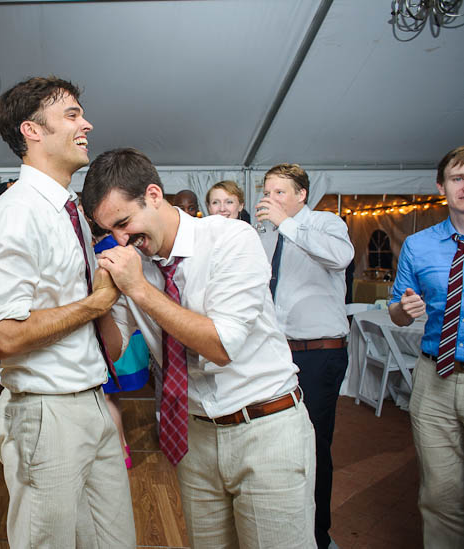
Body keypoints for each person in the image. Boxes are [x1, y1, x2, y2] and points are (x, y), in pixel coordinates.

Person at [82, 147, 315, 548]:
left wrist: (138, 288)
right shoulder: (135, 261)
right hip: (193, 435)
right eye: (109, 232)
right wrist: (100, 297)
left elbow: (222, 345)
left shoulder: (230, 238)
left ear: (154, 195)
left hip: (265, 430)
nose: (122, 240)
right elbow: (115, 348)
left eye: (124, 222)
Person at [0, 76, 135, 548]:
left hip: (93, 402)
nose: (87, 124)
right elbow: (4, 337)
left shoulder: (72, 211)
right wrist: (97, 303)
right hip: (47, 412)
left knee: (115, 540)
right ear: (32, 131)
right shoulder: (17, 212)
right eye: (72, 115)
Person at [255, 163, 353, 549]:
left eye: (280, 192)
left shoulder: (326, 223)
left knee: (314, 445)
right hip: (276, 354)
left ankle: (318, 535)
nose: (270, 199)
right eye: (267, 191)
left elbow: (339, 258)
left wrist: (287, 224)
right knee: (277, 443)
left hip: (318, 354)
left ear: (301, 195)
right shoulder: (266, 234)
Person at [389, 145, 464, 549]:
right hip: (435, 377)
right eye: (457, 178)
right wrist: (403, 309)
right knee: (439, 492)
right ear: (442, 186)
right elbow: (398, 314)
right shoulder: (419, 245)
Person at [93, 229, 150, 469]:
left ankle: (119, 449)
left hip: (112, 331)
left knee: (106, 395)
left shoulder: (105, 250)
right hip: (120, 329)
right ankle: (121, 447)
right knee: (111, 395)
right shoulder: (115, 246)